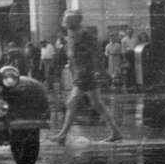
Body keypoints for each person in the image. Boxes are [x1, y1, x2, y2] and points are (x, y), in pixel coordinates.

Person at [51, 14, 125, 144]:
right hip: (82, 74)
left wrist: (99, 71)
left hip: (86, 74)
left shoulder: (83, 35)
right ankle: (115, 132)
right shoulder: (73, 34)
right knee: (96, 104)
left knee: (73, 103)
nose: (64, 22)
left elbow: (95, 53)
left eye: (66, 20)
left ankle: (62, 135)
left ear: (73, 22)